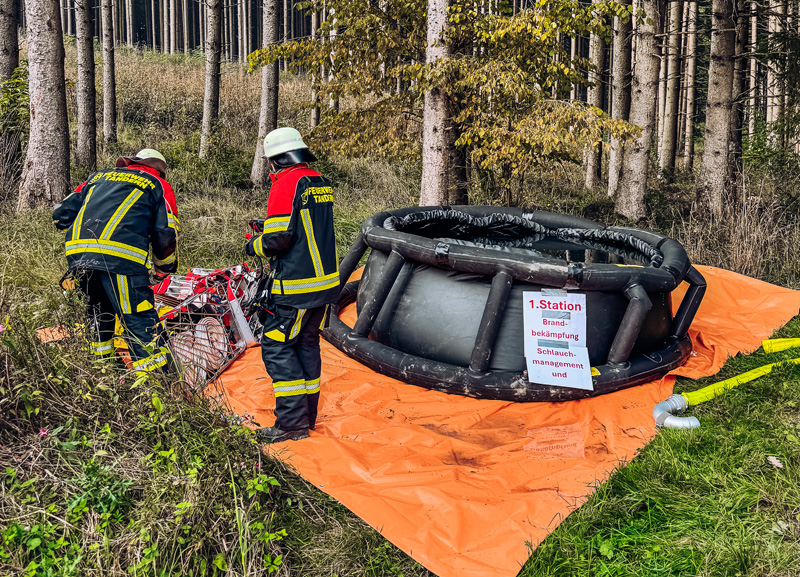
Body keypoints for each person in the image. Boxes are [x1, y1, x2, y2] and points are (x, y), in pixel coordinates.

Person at [246, 127, 340, 443]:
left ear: (275, 160)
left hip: (296, 288)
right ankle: (306, 418)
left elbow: (278, 240)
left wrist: (253, 244)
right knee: (306, 344)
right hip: (324, 284)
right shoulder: (318, 182)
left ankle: (290, 424)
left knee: (276, 346)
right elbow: (302, 228)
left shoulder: (286, 184)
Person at [53, 148, 179, 374]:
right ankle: (159, 384)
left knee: (98, 312)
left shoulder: (97, 178)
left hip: (79, 259)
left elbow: (61, 215)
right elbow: (165, 233)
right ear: (159, 169)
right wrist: (163, 269)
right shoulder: (157, 184)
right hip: (121, 261)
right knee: (139, 318)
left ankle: (102, 372)